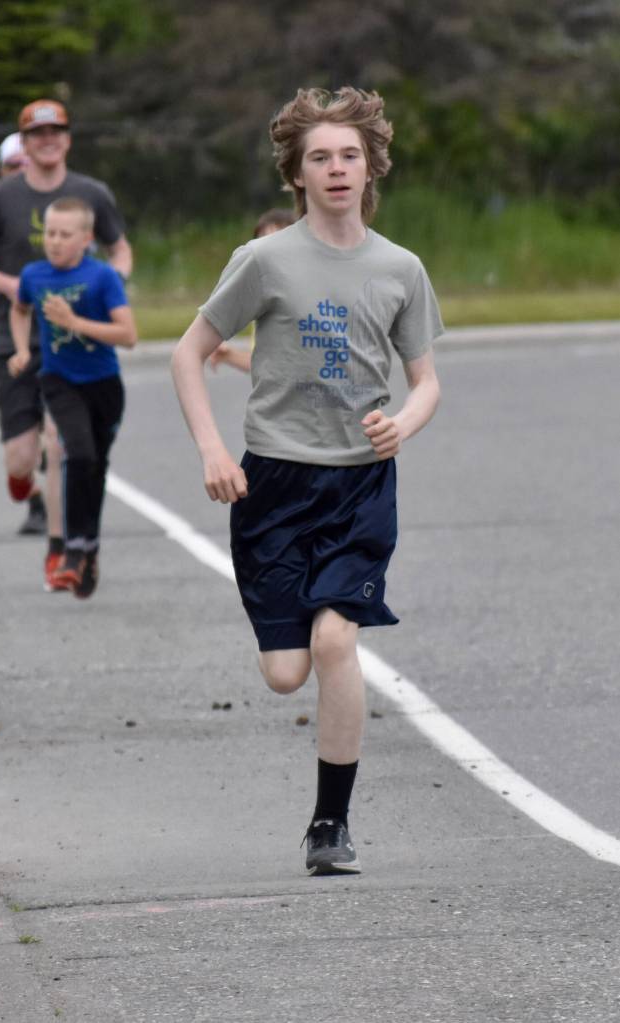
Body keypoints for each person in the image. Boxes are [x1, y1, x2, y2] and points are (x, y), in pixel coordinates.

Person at [171, 87, 443, 876]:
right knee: (285, 672)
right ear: (296, 171)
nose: (335, 168)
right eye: (319, 156)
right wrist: (213, 451)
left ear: (370, 168)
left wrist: (405, 422)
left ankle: (330, 825)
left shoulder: (400, 268)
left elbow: (426, 380)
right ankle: (325, 805)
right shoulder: (263, 261)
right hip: (274, 486)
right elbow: (189, 353)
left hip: (360, 484)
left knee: (335, 641)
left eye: (348, 155)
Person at [0, 98, 133, 582]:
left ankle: (61, 549)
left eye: (55, 131)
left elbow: (120, 249)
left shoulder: (90, 193)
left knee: (62, 444)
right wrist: (9, 285)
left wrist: (110, 284)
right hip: (16, 340)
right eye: (37, 134)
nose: (47, 140)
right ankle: (20, 480)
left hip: (73, 343)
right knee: (23, 455)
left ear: (68, 138)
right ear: (25, 143)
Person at [8, 198, 137, 597]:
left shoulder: (103, 277)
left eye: (65, 235)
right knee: (76, 454)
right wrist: (23, 350)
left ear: (86, 239)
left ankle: (88, 550)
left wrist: (73, 322)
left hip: (104, 386)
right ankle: (70, 551)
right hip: (58, 379)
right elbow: (19, 309)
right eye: (50, 233)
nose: (55, 242)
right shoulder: (34, 274)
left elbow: (128, 336)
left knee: (95, 466)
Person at [209, 208, 297, 374]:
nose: (266, 253)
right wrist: (229, 355)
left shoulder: (302, 300)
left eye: (275, 242)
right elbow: (267, 366)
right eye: (261, 243)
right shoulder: (263, 301)